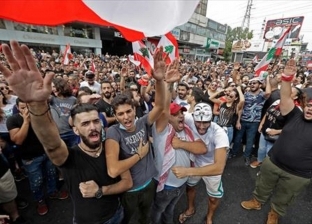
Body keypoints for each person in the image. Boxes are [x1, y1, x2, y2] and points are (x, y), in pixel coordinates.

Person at [0, 40, 133, 224]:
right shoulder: (70, 157)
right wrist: (36, 105)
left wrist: (100, 191)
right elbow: (52, 144)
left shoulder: (113, 147)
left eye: (96, 121)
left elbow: (127, 182)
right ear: (75, 129)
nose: (93, 126)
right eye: (85, 123)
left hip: (117, 215)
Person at [241, 59, 312, 224]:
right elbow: (285, 97)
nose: (310, 108)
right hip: (273, 162)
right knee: (263, 185)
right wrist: (286, 78)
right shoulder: (294, 114)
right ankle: (257, 201)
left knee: (285, 196)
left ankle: (274, 213)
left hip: (298, 174)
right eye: (309, 105)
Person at [105, 47, 168, 224]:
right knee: (128, 219)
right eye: (121, 114)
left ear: (134, 110)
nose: (126, 117)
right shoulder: (113, 132)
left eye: (129, 111)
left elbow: (161, 106)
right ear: (116, 116)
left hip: (149, 184)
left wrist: (160, 80)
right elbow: (114, 170)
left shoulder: (142, 122)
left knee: (145, 218)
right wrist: (139, 154)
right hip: (130, 191)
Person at [151, 62, 207, 224]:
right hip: (166, 186)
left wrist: (181, 144)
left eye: (181, 113)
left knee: (170, 210)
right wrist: (168, 84)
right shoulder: (162, 131)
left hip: (181, 185)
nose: (181, 116)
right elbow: (164, 108)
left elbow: (201, 148)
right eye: (176, 115)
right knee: (158, 211)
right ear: (169, 118)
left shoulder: (187, 131)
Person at [7, 98, 68, 215]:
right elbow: (18, 140)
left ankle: (53, 192)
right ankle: (39, 200)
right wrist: (26, 121)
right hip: (30, 158)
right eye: (23, 108)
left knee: (51, 174)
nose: (26, 110)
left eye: (28, 107)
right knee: (36, 181)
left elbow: (53, 129)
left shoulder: (39, 116)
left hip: (46, 152)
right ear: (17, 108)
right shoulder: (13, 120)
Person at [172, 102, 229, 224]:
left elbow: (219, 168)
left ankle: (209, 217)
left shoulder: (219, 134)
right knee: (190, 187)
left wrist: (187, 171)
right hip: (195, 161)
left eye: (206, 122)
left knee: (213, 198)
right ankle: (191, 209)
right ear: (193, 117)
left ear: (212, 119)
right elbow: (170, 112)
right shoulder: (188, 117)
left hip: (212, 167)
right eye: (198, 122)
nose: (202, 127)